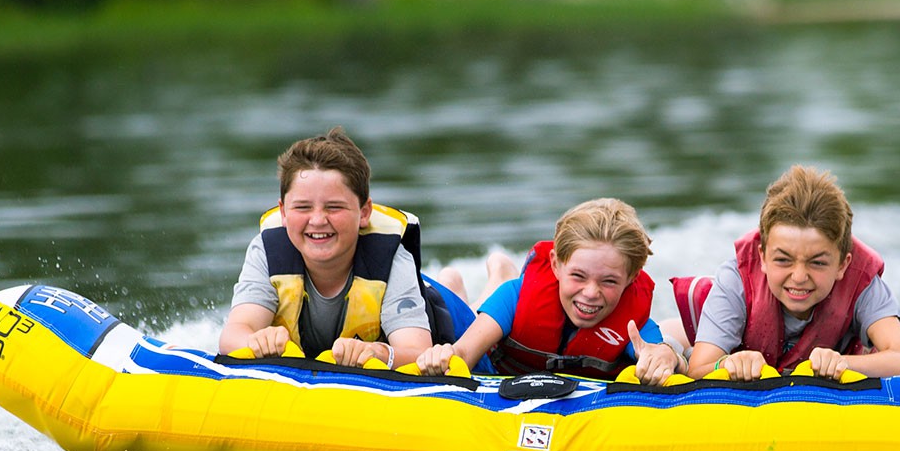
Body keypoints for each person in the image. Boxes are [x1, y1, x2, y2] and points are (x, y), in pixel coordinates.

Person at [219, 127, 471, 366]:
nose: (317, 220)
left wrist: (377, 352)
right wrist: (256, 341)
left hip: (439, 314)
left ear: (364, 213)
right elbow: (232, 336)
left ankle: (461, 285)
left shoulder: (391, 258)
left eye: (334, 207)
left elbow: (418, 352)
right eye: (303, 207)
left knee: (462, 319)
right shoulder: (267, 251)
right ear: (283, 212)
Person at [676, 165, 900, 380]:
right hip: (715, 326)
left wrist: (843, 363)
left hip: (835, 354)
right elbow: (698, 368)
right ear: (762, 257)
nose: (798, 277)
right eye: (783, 260)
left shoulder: (862, 281)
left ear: (842, 265)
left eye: (817, 263)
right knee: (676, 340)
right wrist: (728, 363)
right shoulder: (736, 278)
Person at [416, 198, 681, 385]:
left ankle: (497, 272)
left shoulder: (635, 325)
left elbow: (661, 353)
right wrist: (442, 356)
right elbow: (462, 354)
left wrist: (666, 356)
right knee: (459, 317)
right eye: (578, 276)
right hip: (497, 357)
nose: (590, 292)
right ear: (555, 264)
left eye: (609, 282)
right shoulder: (516, 297)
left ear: (631, 278)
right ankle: (492, 276)